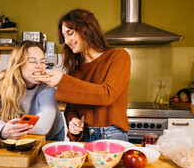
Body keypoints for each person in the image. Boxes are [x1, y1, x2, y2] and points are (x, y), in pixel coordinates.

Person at [34, 8, 131, 142]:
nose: (67, 41)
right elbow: (71, 108)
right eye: (64, 36)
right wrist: (72, 120)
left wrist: (62, 81)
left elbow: (106, 94)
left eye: (70, 33)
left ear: (87, 29)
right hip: (84, 136)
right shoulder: (76, 68)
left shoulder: (119, 56)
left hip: (112, 136)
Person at [0, 40, 65, 141]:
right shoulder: (1, 83)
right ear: (18, 63)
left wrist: (14, 128)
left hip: (51, 138)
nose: (40, 66)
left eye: (42, 61)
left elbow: (43, 126)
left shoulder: (48, 87)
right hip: (18, 138)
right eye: (33, 61)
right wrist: (3, 130)